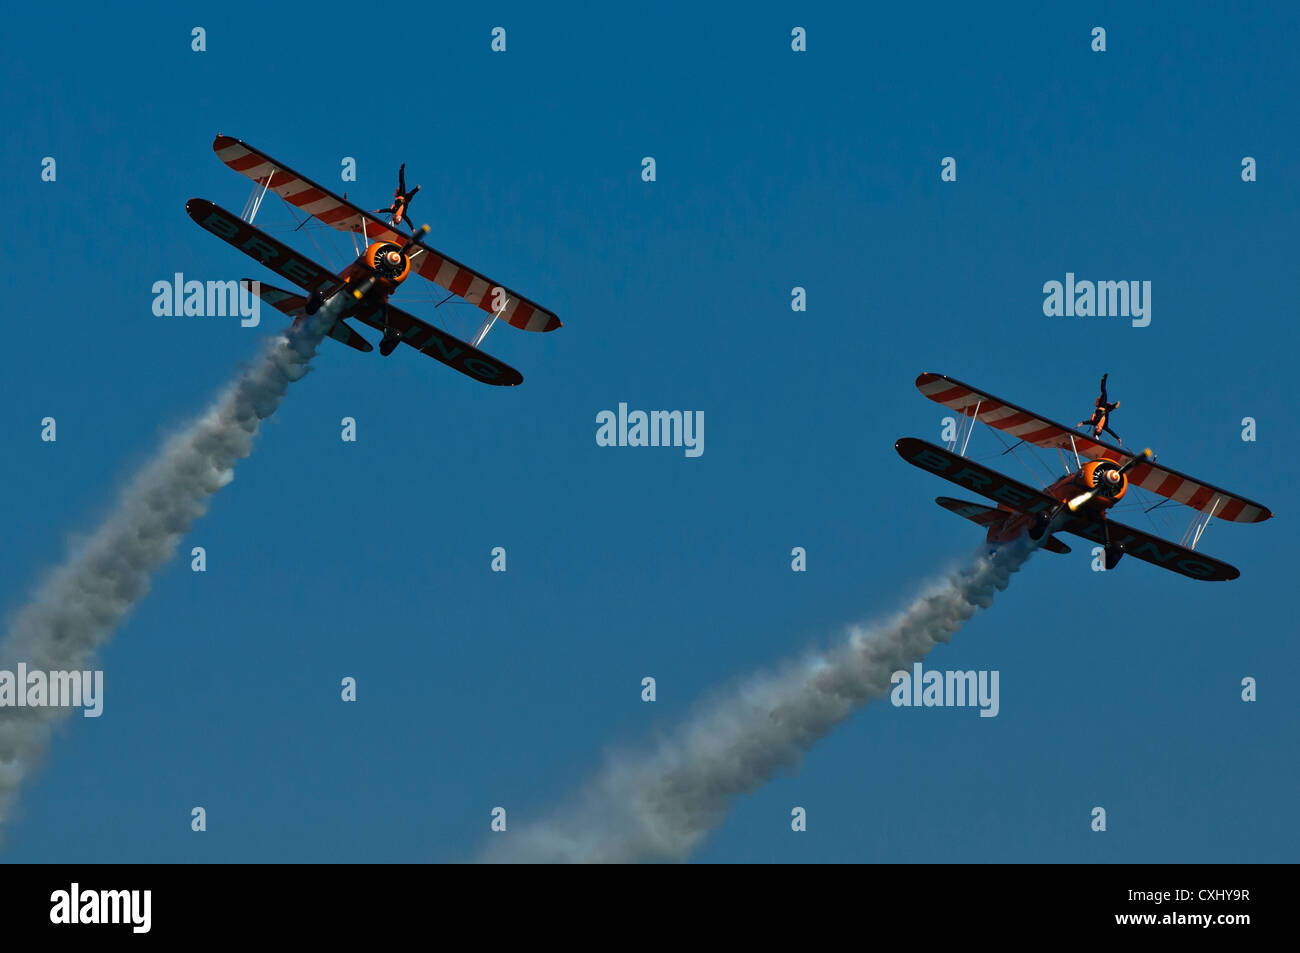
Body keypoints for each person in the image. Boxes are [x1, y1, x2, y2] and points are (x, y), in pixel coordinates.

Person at [1077, 373, 1122, 444]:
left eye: (1096, 429)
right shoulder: (1104, 427)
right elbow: (1111, 432)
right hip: (1106, 409)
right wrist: (1118, 438)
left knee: (1104, 392)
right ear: (1101, 431)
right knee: (1108, 410)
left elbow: (1089, 422)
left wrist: (1082, 423)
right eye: (1099, 429)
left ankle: (1103, 380)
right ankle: (1113, 406)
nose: (1098, 428)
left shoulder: (1095, 423)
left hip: (1101, 406)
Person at [378, 163, 421, 229]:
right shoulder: (403, 215)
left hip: (401, 195)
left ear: (395, 218)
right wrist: (413, 229)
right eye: (399, 220)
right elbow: (408, 221)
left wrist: (379, 211)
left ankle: (401, 169)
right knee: (411, 194)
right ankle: (417, 189)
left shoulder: (394, 211)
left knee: (402, 182)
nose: (399, 219)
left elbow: (387, 210)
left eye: (397, 220)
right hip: (406, 200)